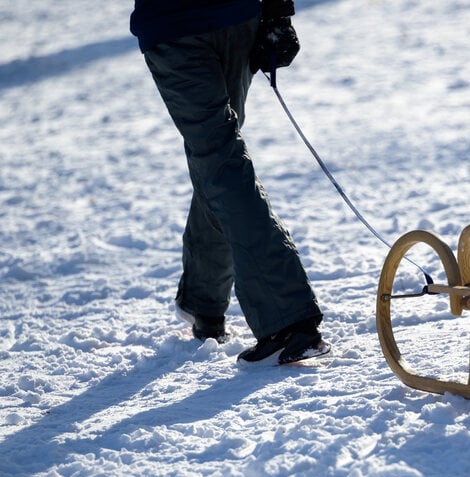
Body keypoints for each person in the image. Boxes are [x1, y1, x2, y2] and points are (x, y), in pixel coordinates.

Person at [129, 0, 329, 364]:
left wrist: (277, 14)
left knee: (222, 166)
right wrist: (277, 11)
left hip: (182, 25)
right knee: (222, 165)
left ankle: (288, 322)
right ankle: (204, 302)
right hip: (233, 18)